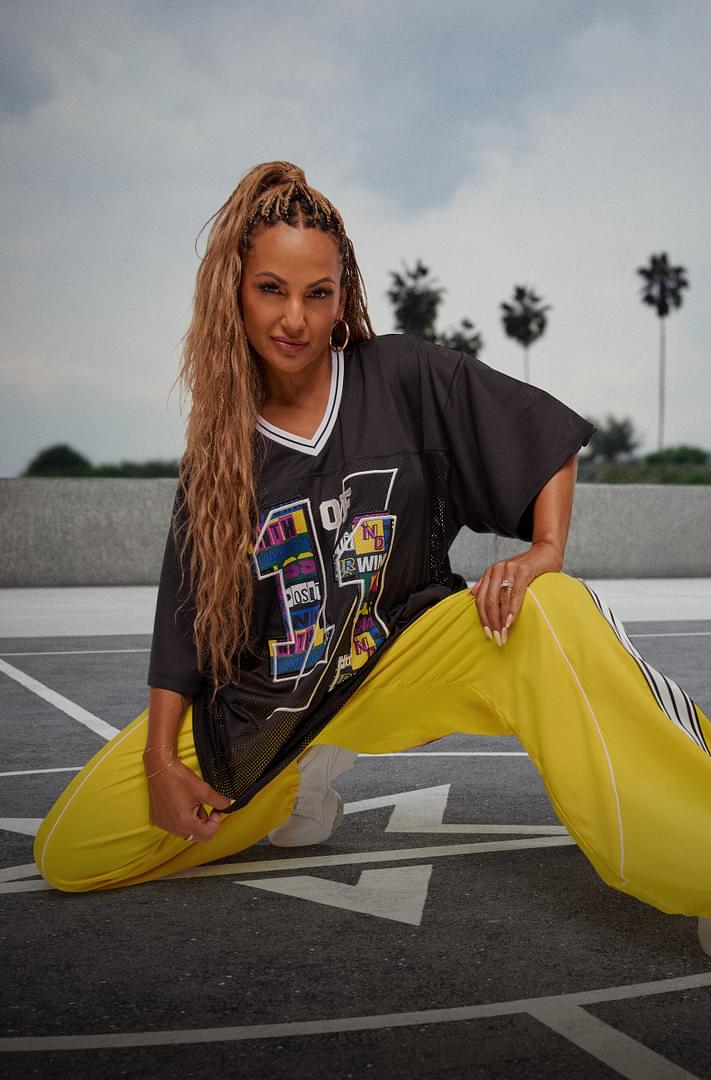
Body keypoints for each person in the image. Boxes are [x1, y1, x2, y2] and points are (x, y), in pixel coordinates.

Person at [34, 162, 711, 953]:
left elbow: (542, 431)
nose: (294, 318)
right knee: (71, 851)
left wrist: (544, 551)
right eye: (271, 289)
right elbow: (181, 622)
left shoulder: (400, 376)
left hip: (406, 650)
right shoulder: (220, 452)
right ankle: (298, 780)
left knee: (552, 609)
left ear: (341, 295)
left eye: (316, 293)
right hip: (277, 707)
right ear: (233, 292)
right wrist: (159, 758)